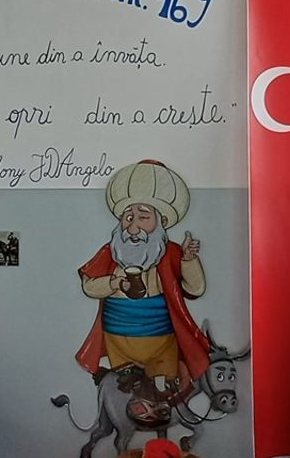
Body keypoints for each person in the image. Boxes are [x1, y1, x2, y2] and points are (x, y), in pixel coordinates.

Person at [76, 160, 211, 420]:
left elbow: (195, 288)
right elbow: (89, 285)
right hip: (118, 338)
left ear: (161, 221)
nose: (133, 226)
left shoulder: (171, 252)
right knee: (127, 385)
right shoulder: (112, 252)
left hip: (161, 338)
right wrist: (114, 283)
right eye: (128, 217)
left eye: (143, 217)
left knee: (164, 383)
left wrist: (189, 259)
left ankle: (159, 411)